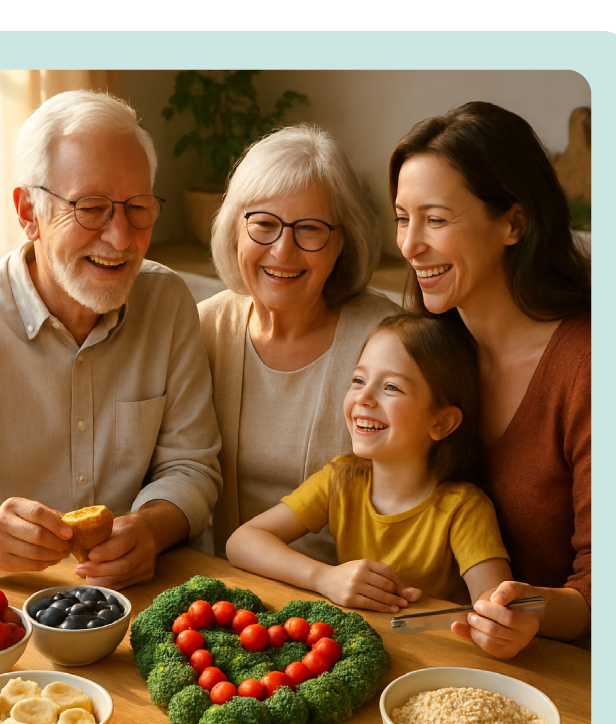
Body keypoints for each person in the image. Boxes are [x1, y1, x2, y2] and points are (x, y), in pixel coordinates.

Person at [0, 90, 222, 589]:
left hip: (140, 597)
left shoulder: (167, 301)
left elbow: (191, 467)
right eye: (91, 207)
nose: (121, 238)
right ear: (28, 212)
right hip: (2, 611)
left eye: (137, 207)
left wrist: (149, 528)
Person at [388, 101, 591, 654]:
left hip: (564, 670)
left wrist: (529, 608)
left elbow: (604, 591)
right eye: (403, 218)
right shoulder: (424, 353)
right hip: (435, 649)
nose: (409, 245)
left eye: (436, 219)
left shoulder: (591, 369)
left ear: (514, 224)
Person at [228, 314, 527, 651]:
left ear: (442, 422)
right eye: (358, 380)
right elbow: (242, 542)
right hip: (351, 651)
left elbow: (498, 610)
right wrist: (325, 577)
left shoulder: (463, 507)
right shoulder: (340, 479)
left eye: (391, 387)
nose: (364, 398)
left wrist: (497, 629)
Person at [197, 124, 401, 561]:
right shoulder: (202, 329)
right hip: (231, 603)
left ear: (342, 241)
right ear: (235, 229)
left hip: (350, 607)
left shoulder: (387, 337)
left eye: (309, 229)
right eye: (264, 224)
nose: (283, 251)